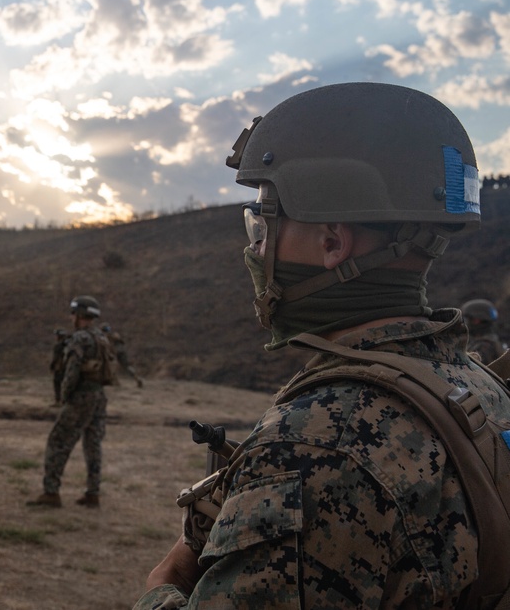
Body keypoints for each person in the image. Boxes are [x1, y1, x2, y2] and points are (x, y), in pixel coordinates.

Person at [135, 83, 510, 609]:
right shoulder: (478, 387)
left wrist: (163, 585)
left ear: (332, 243)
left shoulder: (318, 444)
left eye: (263, 222)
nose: (255, 248)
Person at [27, 296, 116, 509]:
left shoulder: (79, 339)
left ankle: (51, 492)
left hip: (81, 397)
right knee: (93, 445)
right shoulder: (101, 337)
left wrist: (64, 397)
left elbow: (72, 372)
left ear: (79, 315)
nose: (71, 317)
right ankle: (93, 493)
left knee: (58, 441)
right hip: (99, 397)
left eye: (73, 313)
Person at [460, 298, 507, 364]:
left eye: (470, 319)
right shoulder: (490, 341)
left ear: (477, 320)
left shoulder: (485, 346)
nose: (466, 323)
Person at [101, 323, 144, 388]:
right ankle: (136, 378)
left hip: (113, 352)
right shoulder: (115, 334)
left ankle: (115, 382)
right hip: (121, 351)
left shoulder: (105, 336)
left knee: (111, 367)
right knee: (126, 366)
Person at [49, 328, 70, 405]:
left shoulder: (58, 345)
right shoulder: (69, 344)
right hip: (68, 367)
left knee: (57, 383)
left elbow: (55, 358)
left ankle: (58, 401)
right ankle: (65, 400)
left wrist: (52, 366)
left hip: (60, 368)